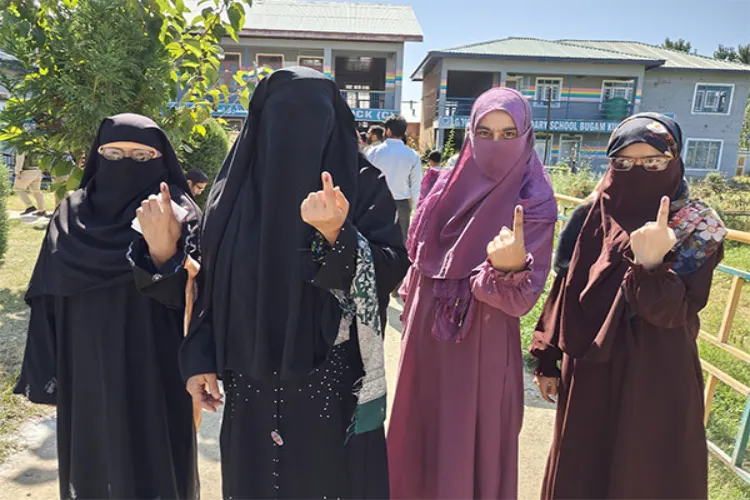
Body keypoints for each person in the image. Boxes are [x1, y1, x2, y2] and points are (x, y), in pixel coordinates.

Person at [179, 67, 410, 499]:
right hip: (248, 376)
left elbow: (393, 266)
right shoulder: (233, 196)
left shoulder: (362, 185)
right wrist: (200, 357)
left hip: (332, 378)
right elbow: (211, 284)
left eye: (313, 118)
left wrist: (338, 237)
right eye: (282, 117)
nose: (296, 134)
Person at [531, 113, 725, 499]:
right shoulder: (591, 213)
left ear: (674, 159)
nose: (638, 172)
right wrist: (547, 355)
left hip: (656, 372)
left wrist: (652, 265)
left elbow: (675, 312)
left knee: (645, 473)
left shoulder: (696, 224)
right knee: (582, 469)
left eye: (653, 162)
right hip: (589, 367)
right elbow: (565, 288)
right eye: (624, 162)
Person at [14, 113, 200, 499]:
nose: (124, 164)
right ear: (96, 159)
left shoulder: (179, 213)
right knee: (93, 459)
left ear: (162, 160)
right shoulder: (72, 212)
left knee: (156, 457)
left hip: (156, 359)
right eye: (112, 154)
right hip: (86, 361)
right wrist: (48, 366)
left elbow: (194, 298)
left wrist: (163, 250)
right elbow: (48, 291)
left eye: (140, 156)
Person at [388, 88, 558, 499]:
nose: (495, 144)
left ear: (527, 134)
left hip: (483, 341)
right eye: (484, 132)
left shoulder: (534, 201)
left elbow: (519, 301)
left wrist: (509, 268)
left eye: (507, 133)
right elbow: (418, 266)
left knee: (470, 440)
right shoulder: (443, 187)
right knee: (419, 431)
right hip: (425, 339)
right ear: (469, 134)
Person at [14, 149, 47, 217]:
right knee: (36, 191)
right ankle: (42, 210)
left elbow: (20, 159)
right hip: (38, 171)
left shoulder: (22, 146)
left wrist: (17, 172)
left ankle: (29, 206)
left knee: (17, 189)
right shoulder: (35, 146)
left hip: (27, 171)